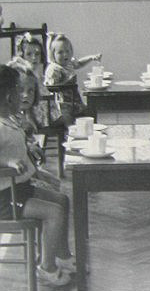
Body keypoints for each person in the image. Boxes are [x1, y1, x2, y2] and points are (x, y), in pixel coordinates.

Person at [0, 65, 75, 286]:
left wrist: (33, 159)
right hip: (5, 198)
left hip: (19, 188)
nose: (22, 94)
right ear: (7, 95)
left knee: (62, 200)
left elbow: (17, 148)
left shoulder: (11, 119)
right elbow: (8, 157)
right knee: (53, 212)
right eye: (18, 89)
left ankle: (62, 256)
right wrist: (8, 162)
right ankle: (47, 268)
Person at [44, 33, 101, 124]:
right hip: (61, 104)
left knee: (90, 112)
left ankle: (90, 131)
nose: (65, 54)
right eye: (60, 52)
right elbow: (50, 87)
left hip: (75, 101)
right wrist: (65, 84)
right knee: (69, 123)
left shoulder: (69, 63)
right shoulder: (54, 69)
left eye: (67, 51)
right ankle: (70, 134)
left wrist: (91, 58)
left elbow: (79, 63)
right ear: (53, 54)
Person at [13, 32, 61, 127]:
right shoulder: (23, 76)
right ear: (22, 56)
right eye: (29, 54)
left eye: (37, 54)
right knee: (67, 117)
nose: (34, 58)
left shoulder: (39, 76)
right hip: (35, 114)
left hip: (46, 109)